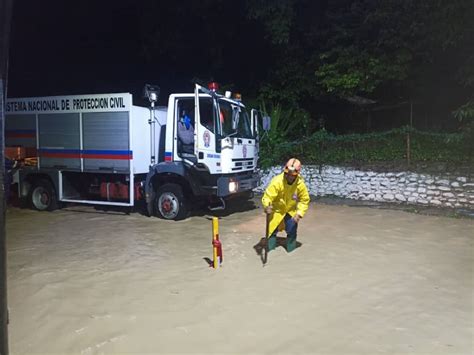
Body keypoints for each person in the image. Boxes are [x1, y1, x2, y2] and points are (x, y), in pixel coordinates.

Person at [261, 158, 310, 252]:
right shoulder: (277, 181)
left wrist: (299, 214)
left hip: (291, 211)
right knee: (271, 232)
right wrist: (267, 206)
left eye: (293, 175)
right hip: (276, 210)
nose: (290, 176)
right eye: (288, 174)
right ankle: (271, 250)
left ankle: (290, 250)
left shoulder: (300, 184)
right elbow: (268, 196)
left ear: (297, 174)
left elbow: (304, 200)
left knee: (292, 230)